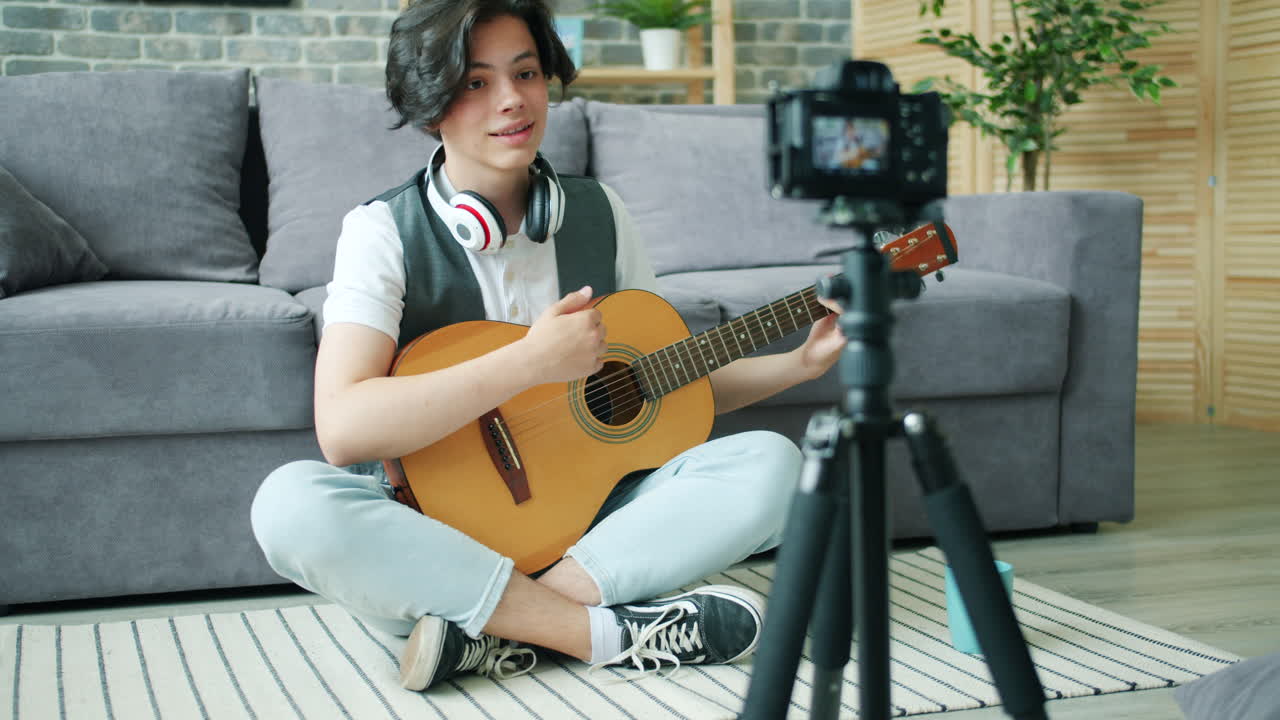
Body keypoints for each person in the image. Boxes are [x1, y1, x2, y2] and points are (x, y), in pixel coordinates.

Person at [250, 0, 846, 693]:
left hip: (588, 534)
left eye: (526, 73)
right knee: (289, 504)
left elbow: (654, 389)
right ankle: (599, 632)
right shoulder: (381, 231)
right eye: (476, 82)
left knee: (774, 463)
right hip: (434, 532)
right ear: (428, 104)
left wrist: (801, 364)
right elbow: (346, 430)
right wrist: (529, 362)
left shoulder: (602, 215)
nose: (512, 100)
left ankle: (488, 630)